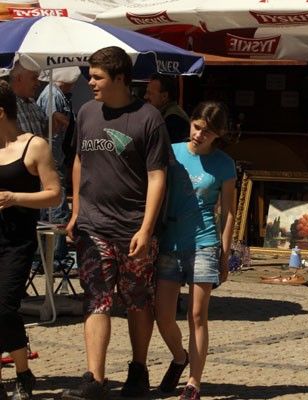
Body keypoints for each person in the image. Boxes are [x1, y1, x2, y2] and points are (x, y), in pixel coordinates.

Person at [61, 47, 169, 400]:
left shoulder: (148, 118)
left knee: (137, 300)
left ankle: (138, 369)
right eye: (90, 76)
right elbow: (79, 161)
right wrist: (76, 210)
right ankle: (95, 379)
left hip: (133, 227)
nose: (90, 82)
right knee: (96, 298)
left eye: (97, 77)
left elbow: (157, 176)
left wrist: (147, 228)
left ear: (120, 79)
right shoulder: (86, 112)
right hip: (93, 225)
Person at [155, 101, 236, 399]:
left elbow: (228, 212)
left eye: (207, 132)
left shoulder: (224, 164)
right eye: (197, 126)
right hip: (170, 242)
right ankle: (180, 357)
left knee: (197, 315)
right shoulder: (171, 152)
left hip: (204, 243)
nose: (199, 135)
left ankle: (193, 383)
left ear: (218, 135)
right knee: (163, 316)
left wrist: (224, 253)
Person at [0, 80, 61, 400]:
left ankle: (23, 372)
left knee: (4, 308)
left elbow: (54, 195)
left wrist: (15, 197)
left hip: (17, 242)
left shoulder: (34, 146)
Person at [37, 67, 81, 259]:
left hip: (57, 159)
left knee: (54, 206)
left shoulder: (57, 94)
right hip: (53, 161)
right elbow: (52, 131)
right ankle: (55, 256)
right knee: (55, 206)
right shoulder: (53, 95)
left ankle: (53, 254)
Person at [9, 61, 68, 137]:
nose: (38, 83)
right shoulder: (7, 106)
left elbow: (44, 134)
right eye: (34, 78)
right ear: (19, 78)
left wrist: (52, 122)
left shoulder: (33, 104)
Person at [144, 73, 189, 144]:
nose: (145, 97)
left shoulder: (174, 120)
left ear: (164, 96)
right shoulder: (166, 114)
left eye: (149, 93)